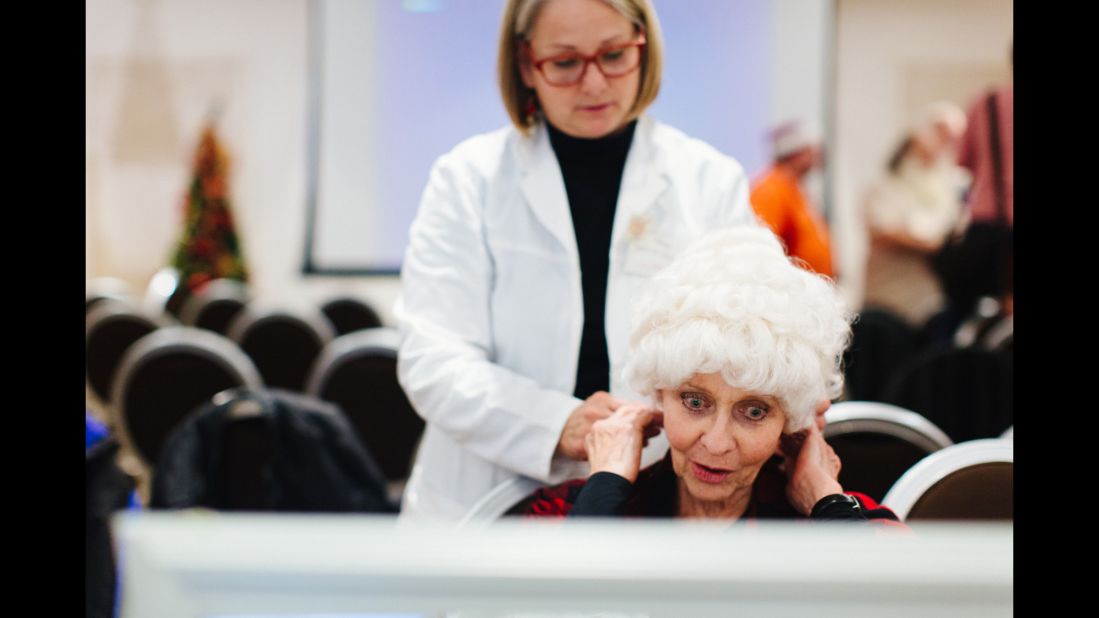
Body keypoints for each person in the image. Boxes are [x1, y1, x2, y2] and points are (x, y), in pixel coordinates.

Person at [395, 0, 759, 520]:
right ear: (525, 63)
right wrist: (556, 423)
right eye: (565, 63)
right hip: (482, 497)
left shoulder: (708, 181)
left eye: (613, 55)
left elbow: (745, 350)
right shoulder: (467, 178)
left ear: (643, 47)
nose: (594, 84)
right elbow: (435, 359)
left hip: (657, 490)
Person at [518, 226, 901, 524]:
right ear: (659, 396)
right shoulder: (564, 511)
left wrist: (825, 500)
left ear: (791, 422)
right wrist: (604, 492)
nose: (717, 444)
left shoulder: (834, 523)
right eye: (695, 402)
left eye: (754, 412)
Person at [862, 102, 969, 326]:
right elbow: (882, 231)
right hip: (888, 298)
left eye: (951, 137)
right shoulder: (886, 186)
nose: (943, 142)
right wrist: (931, 243)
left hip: (932, 301)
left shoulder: (955, 185)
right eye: (939, 132)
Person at [749, 121, 835, 278]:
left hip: (810, 288)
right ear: (797, 153)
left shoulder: (793, 188)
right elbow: (761, 244)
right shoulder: (771, 189)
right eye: (811, 150)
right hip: (793, 290)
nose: (817, 156)